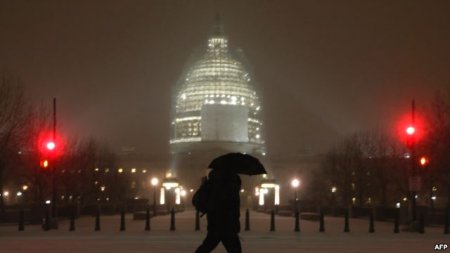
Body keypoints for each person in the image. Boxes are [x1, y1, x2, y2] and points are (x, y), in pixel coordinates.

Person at [195, 169, 242, 253]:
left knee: (207, 246)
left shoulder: (213, 183)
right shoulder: (230, 186)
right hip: (228, 223)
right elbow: (232, 207)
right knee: (235, 249)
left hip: (215, 222)